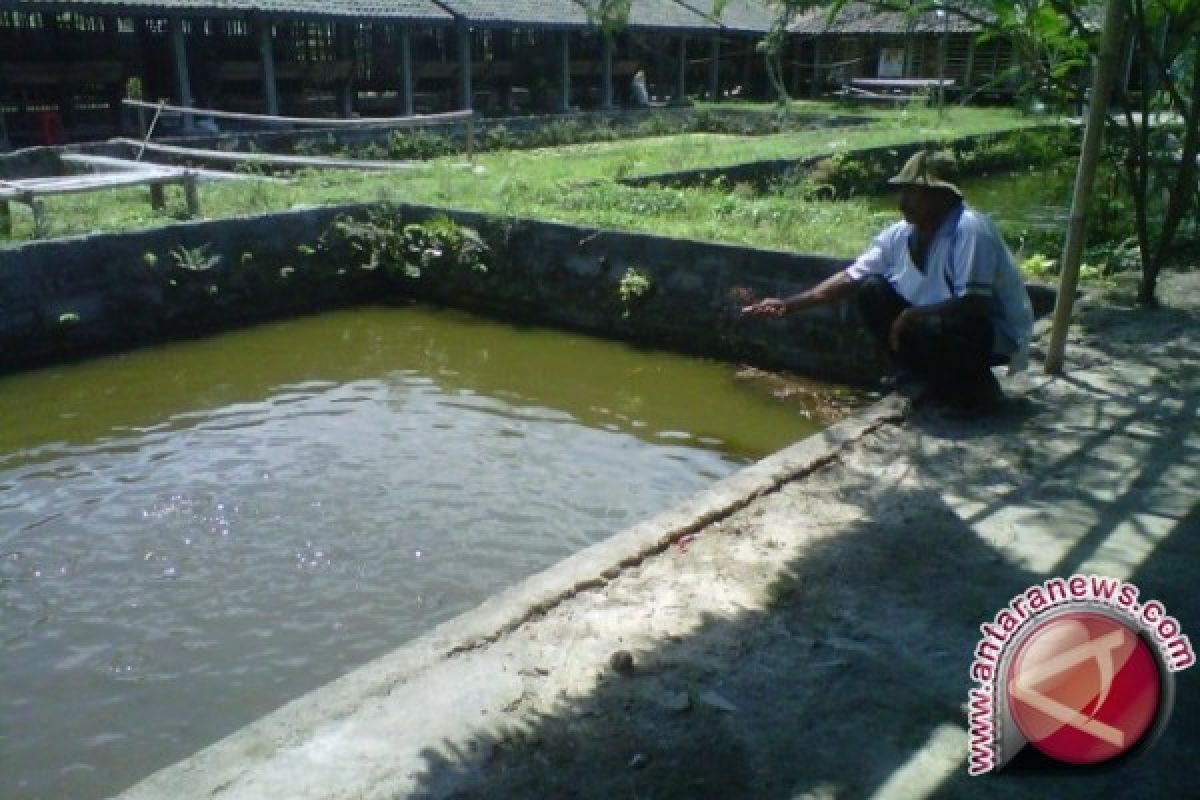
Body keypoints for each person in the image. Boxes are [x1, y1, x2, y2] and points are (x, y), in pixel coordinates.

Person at [742, 150, 1033, 411]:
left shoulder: (970, 230)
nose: (903, 202)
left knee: (938, 325)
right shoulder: (900, 234)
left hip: (984, 333)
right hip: (931, 324)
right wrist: (788, 305)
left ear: (942, 195)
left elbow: (975, 304)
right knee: (872, 291)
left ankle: (974, 385)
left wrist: (913, 313)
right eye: (903, 192)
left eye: (913, 192)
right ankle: (922, 376)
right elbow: (852, 276)